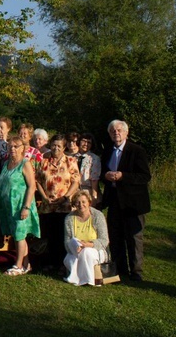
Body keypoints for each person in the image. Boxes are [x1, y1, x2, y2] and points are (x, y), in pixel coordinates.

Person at [100, 119, 151, 282]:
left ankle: (136, 272)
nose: (116, 133)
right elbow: (103, 173)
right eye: (113, 131)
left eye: (120, 130)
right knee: (115, 236)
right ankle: (120, 269)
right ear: (109, 134)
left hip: (133, 201)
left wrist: (123, 176)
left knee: (134, 237)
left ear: (126, 132)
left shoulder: (137, 151)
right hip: (114, 199)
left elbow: (145, 176)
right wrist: (106, 176)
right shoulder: (107, 151)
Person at [0, 136, 40, 276]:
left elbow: (32, 186)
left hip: (21, 206)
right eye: (10, 146)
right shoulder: (6, 163)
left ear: (23, 148)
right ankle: (27, 264)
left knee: (20, 235)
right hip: (9, 207)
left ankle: (18, 265)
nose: (13, 149)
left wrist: (26, 207)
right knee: (17, 236)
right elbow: (1, 180)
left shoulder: (25, 164)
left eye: (16, 146)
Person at [37, 133, 80, 271]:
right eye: (54, 145)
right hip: (47, 205)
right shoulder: (44, 161)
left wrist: (66, 197)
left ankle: (62, 263)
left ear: (64, 147)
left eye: (59, 146)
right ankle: (48, 263)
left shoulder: (70, 161)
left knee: (62, 235)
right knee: (48, 235)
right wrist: (44, 197)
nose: (56, 148)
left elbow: (76, 181)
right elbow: (37, 180)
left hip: (64, 205)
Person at [64, 191, 110, 286]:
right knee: (70, 258)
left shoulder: (98, 216)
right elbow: (67, 241)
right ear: (74, 204)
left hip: (95, 249)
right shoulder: (69, 219)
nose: (81, 205)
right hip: (77, 250)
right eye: (78, 202)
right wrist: (75, 247)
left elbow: (104, 240)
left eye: (83, 202)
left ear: (89, 202)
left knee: (87, 252)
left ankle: (88, 280)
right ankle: (80, 278)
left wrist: (87, 245)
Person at [78, 133, 101, 202]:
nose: (86, 144)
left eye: (89, 142)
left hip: (87, 190)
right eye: (84, 141)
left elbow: (94, 178)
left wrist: (94, 195)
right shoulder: (72, 157)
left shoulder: (94, 158)